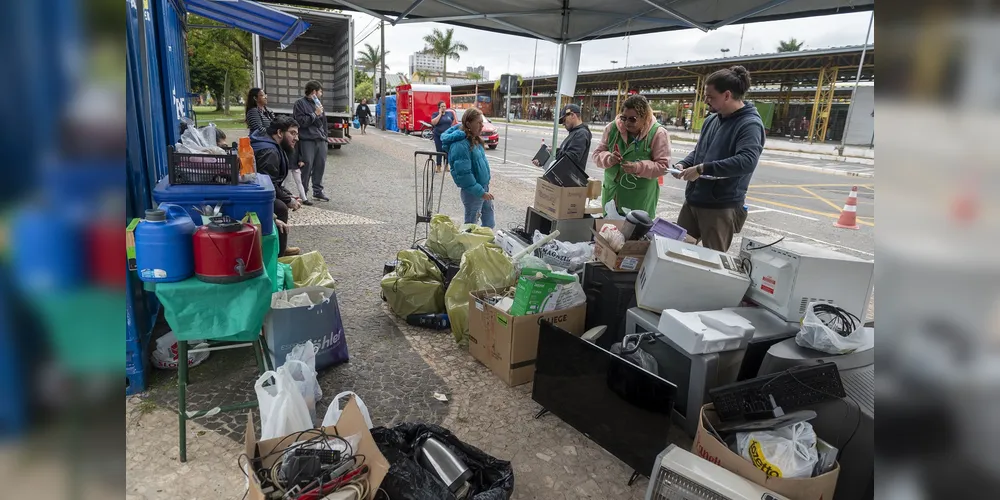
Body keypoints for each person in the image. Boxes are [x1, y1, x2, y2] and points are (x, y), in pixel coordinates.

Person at [672, 65, 765, 252]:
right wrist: (685, 163)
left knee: (712, 260)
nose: (706, 100)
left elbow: (747, 161)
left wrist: (702, 169)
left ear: (727, 95)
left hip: (720, 207)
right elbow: (700, 152)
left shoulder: (750, 124)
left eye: (710, 96)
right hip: (693, 201)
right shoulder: (712, 120)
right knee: (675, 251)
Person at [592, 95, 672, 218]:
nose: (627, 123)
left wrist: (638, 167)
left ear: (644, 117)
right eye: (624, 118)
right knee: (609, 231)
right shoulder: (612, 128)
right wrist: (609, 158)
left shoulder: (658, 133)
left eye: (632, 119)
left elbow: (663, 166)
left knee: (635, 233)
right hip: (612, 195)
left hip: (639, 199)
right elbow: (597, 155)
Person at [250, 116, 303, 257]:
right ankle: (278, 253)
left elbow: (275, 181)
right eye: (292, 133)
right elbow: (269, 185)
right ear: (280, 133)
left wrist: (288, 194)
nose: (296, 138)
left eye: (297, 134)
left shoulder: (270, 144)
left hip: (255, 188)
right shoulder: (270, 152)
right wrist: (288, 200)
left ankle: (280, 246)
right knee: (280, 207)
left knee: (281, 203)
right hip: (252, 193)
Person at [441, 108, 494, 228]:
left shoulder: (474, 139)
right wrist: (481, 192)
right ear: (469, 124)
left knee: (489, 222)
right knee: (470, 226)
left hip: (482, 188)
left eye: (482, 122)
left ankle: (484, 244)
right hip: (474, 192)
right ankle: (469, 245)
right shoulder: (460, 145)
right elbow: (464, 176)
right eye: (478, 123)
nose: (482, 126)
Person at [293, 80, 334, 202]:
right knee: (307, 166)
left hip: (320, 139)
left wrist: (325, 136)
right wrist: (314, 114)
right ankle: (303, 192)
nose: (321, 94)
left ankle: (318, 191)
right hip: (307, 139)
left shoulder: (318, 104)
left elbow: (323, 122)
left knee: (320, 165)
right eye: (320, 91)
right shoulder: (299, 104)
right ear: (314, 91)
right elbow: (300, 122)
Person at [533, 104, 592, 170]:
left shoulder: (581, 133)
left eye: (564, 120)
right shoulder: (574, 132)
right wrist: (549, 154)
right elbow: (565, 153)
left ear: (572, 115)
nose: (563, 124)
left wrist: (554, 152)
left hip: (569, 179)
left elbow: (571, 158)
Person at [430, 101, 457, 172]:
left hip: (447, 136)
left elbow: (452, 122)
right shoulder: (435, 114)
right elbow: (433, 122)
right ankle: (438, 166)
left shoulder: (449, 114)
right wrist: (440, 114)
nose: (443, 108)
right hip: (438, 135)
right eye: (442, 106)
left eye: (444, 106)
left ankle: (446, 165)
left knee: (447, 150)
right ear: (439, 107)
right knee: (439, 150)